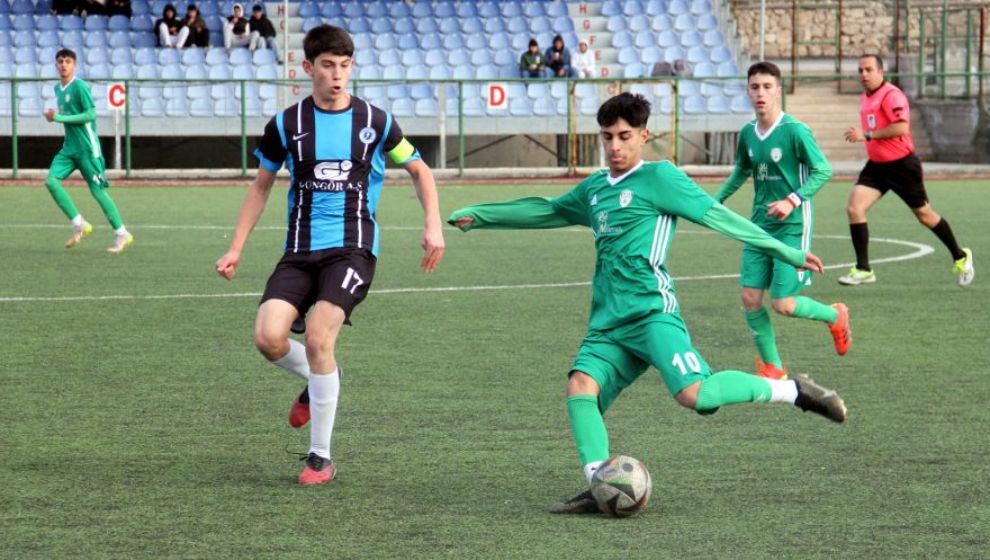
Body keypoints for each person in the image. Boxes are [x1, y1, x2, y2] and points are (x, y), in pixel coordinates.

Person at [448, 92, 847, 514]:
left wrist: (785, 251)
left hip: (652, 313)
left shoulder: (661, 179)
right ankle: (600, 482)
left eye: (624, 136)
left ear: (644, 135)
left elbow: (718, 216)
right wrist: (484, 215)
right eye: (607, 137)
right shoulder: (597, 189)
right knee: (580, 388)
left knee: (697, 395)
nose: (615, 147)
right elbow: (549, 210)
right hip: (608, 323)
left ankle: (795, 390)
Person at [214, 25, 445, 486]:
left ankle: (320, 456)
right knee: (268, 338)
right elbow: (260, 186)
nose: (337, 75)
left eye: (344, 65)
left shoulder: (376, 122)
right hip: (299, 251)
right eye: (327, 65)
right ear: (308, 68)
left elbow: (419, 170)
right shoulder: (286, 124)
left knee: (320, 337)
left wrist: (432, 223)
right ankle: (320, 380)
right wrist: (236, 247)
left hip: (353, 249)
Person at [715, 62, 850, 380]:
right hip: (758, 226)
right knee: (750, 297)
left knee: (784, 304)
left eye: (766, 87)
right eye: (754, 87)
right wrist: (715, 201)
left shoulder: (795, 131)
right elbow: (741, 170)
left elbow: (823, 170)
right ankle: (774, 366)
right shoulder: (748, 133)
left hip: (792, 226)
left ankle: (835, 315)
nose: (760, 93)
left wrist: (792, 201)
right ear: (747, 91)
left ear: (778, 90)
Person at [841, 54, 974, 287]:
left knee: (925, 215)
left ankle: (961, 256)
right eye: (860, 70)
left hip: (902, 166)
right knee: (854, 208)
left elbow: (902, 127)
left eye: (869, 70)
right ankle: (864, 269)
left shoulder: (892, 95)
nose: (863, 74)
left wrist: (867, 135)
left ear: (881, 72)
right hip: (877, 167)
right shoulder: (865, 97)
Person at [43, 49, 133, 254]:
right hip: (69, 148)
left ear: (74, 64)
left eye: (67, 61)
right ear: (56, 65)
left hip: (87, 149)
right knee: (51, 181)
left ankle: (122, 233)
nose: (63, 64)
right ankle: (79, 224)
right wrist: (55, 117)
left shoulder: (80, 86)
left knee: (97, 191)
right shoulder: (58, 88)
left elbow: (91, 114)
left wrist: (59, 118)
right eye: (60, 61)